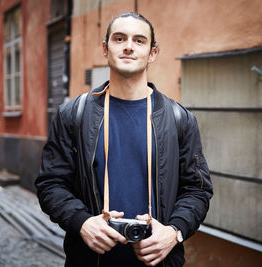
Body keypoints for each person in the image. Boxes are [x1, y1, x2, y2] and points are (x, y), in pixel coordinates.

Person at [35, 12, 213, 267]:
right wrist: (82, 222)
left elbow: (197, 189)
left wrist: (174, 232)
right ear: (106, 49)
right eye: (120, 39)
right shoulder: (73, 114)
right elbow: (50, 184)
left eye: (139, 41)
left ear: (152, 53)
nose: (129, 46)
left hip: (159, 262)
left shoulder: (180, 119)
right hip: (90, 261)